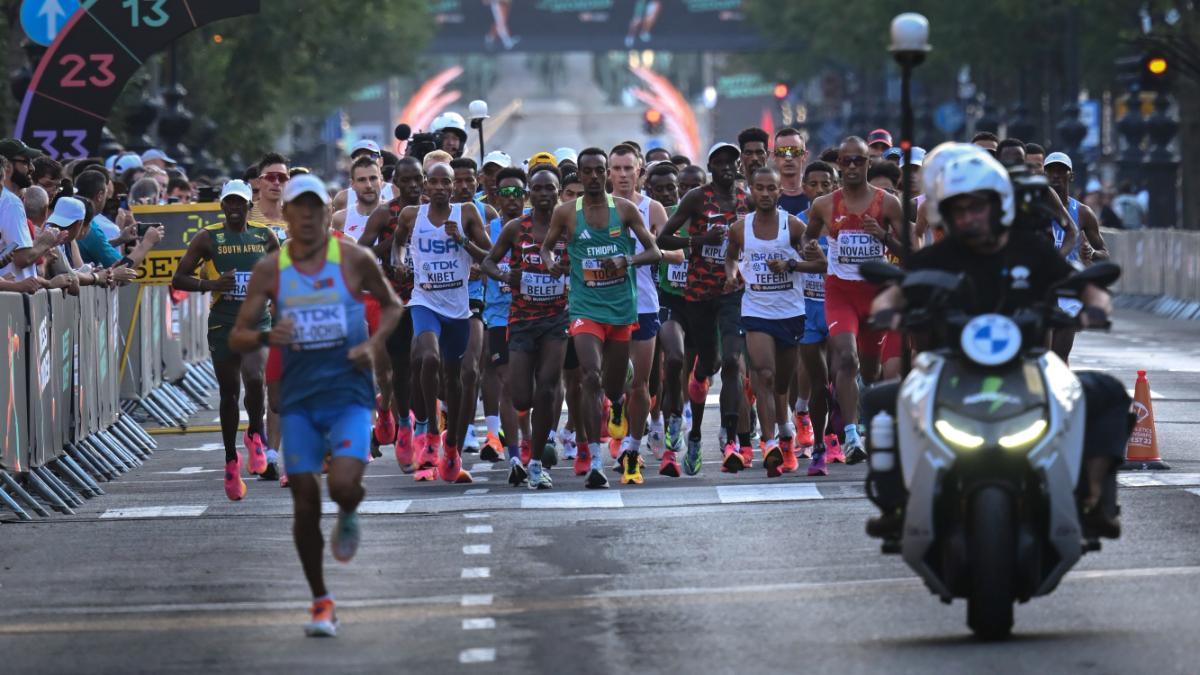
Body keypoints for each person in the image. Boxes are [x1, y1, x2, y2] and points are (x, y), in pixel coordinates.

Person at [865, 149, 1129, 540]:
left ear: (998, 205)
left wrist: (1095, 308)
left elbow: (1087, 287)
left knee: (1106, 394)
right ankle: (896, 503)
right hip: (952, 366)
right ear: (946, 214)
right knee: (882, 402)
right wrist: (886, 310)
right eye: (960, 209)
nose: (970, 216)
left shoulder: (1032, 250)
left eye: (979, 206)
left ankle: (1092, 499)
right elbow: (897, 292)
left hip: (1029, 363)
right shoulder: (939, 256)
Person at [229, 173, 403, 637]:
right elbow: (239, 334)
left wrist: (374, 344)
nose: (307, 217)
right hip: (300, 399)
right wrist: (268, 336)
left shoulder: (352, 258)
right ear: (285, 215)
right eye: (298, 209)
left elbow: (392, 306)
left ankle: (349, 509)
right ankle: (320, 602)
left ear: (329, 212)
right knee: (305, 503)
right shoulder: (272, 269)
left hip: (347, 392)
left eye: (316, 209)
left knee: (344, 486)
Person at [542, 147, 662, 488]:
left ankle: (619, 399)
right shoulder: (566, 213)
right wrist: (551, 263)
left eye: (600, 171)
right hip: (585, 308)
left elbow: (653, 250)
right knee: (590, 376)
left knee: (612, 386)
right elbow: (547, 247)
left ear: (607, 174)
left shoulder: (624, 209)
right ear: (579, 175)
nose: (594, 177)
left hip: (621, 308)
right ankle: (595, 460)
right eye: (588, 172)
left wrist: (627, 260)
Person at [803, 136, 907, 465]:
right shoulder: (824, 205)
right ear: (838, 164)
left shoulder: (888, 203)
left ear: (868, 164)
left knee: (872, 371)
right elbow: (809, 233)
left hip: (875, 294)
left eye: (858, 161)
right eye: (845, 161)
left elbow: (911, 252)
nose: (851, 167)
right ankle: (850, 436)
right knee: (845, 359)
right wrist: (809, 247)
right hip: (840, 291)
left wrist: (884, 236)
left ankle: (865, 413)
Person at [173, 180, 280, 498]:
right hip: (223, 324)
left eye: (240, 203)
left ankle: (255, 436)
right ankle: (231, 460)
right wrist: (213, 285)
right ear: (222, 206)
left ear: (250, 207)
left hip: (257, 322)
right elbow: (179, 277)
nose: (235, 208)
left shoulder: (265, 236)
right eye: (229, 203)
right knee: (230, 394)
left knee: (255, 377)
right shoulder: (208, 238)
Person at [391, 163, 492, 483]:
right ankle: (432, 433)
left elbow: (490, 254)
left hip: (458, 309)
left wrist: (461, 240)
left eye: (444, 182)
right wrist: (399, 261)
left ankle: (452, 447)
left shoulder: (467, 213)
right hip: (424, 301)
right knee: (428, 357)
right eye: (432, 181)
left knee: (455, 381)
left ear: (452, 187)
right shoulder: (411, 215)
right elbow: (397, 244)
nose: (438, 187)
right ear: (424, 185)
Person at [724, 167, 826, 477]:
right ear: (751, 192)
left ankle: (785, 434)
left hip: (791, 313)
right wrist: (732, 273)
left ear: (779, 192)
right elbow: (730, 257)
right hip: (756, 310)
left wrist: (791, 263)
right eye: (760, 188)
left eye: (771, 188)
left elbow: (820, 263)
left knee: (782, 383)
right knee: (763, 375)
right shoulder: (740, 229)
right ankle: (768, 444)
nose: (766, 194)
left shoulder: (793, 226)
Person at [657, 142, 750, 474]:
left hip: (732, 293)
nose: (726, 167)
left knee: (733, 362)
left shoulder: (747, 201)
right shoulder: (697, 198)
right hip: (697, 294)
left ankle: (731, 440)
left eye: (731, 162)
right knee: (706, 365)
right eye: (719, 162)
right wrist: (699, 241)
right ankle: (693, 433)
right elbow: (663, 239)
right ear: (710, 166)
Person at [483, 167, 569, 487]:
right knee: (521, 396)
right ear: (529, 194)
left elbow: (583, 259)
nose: (544, 194)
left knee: (547, 386)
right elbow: (490, 262)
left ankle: (534, 461)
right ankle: (525, 444)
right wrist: (507, 277)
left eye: (550, 188)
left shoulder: (567, 228)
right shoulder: (516, 228)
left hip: (556, 319)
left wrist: (570, 274)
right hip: (520, 320)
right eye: (538, 189)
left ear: (558, 191)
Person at [358, 157, 423, 468]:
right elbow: (362, 252)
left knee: (425, 362)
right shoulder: (386, 212)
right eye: (406, 181)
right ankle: (405, 425)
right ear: (396, 183)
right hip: (396, 300)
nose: (412, 186)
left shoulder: (434, 209)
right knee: (400, 367)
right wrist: (392, 244)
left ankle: (421, 424)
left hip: (429, 299)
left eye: (417, 180)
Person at [609, 144, 668, 470]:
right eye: (616, 169)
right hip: (605, 305)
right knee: (613, 380)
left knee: (641, 383)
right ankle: (615, 406)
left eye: (628, 168)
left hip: (644, 304)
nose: (622, 175)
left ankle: (632, 445)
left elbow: (668, 252)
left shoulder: (653, 209)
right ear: (608, 173)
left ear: (639, 171)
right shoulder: (595, 209)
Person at [478, 167, 526, 475]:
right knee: (509, 384)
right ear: (496, 195)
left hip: (537, 313)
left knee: (537, 386)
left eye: (516, 193)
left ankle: (538, 440)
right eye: (504, 193)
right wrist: (503, 274)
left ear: (526, 195)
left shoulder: (540, 227)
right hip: (498, 316)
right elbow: (485, 259)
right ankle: (515, 456)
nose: (511, 199)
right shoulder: (490, 228)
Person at [1044, 151, 1109, 364]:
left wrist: (1091, 254)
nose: (1055, 176)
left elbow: (1105, 254)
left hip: (1067, 291)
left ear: (1070, 176)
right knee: (1041, 356)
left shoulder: (1082, 213)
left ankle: (1061, 395)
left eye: (1061, 171)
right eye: (1051, 171)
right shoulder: (1033, 209)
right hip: (1041, 286)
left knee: (1060, 356)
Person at [796, 161, 837, 475]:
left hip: (838, 307)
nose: (821, 189)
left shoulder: (846, 222)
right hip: (808, 310)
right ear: (804, 187)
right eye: (814, 184)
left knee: (840, 376)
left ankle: (837, 436)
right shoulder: (797, 224)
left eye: (827, 183)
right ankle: (821, 444)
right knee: (819, 384)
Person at [71, 170, 163, 269]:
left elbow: (94, 246)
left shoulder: (75, 216)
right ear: (100, 196)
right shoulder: (90, 228)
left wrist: (120, 240)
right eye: (107, 197)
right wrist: (147, 243)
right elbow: (122, 270)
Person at [1, 155, 68, 282]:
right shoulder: (11, 203)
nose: (54, 191)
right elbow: (23, 260)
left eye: (58, 187)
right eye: (48, 184)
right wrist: (45, 244)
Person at [332, 156, 382, 243]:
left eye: (373, 178)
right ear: (352, 184)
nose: (368, 185)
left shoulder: (395, 214)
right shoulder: (339, 219)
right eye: (362, 180)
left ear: (381, 180)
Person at [248, 153, 290, 240]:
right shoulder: (246, 214)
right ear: (259, 182)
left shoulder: (296, 217)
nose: (276, 182)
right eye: (270, 177)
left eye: (282, 177)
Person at [774, 128, 810, 216]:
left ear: (804, 155)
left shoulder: (816, 195)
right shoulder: (767, 197)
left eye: (794, 151)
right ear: (774, 156)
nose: (788, 158)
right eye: (782, 152)